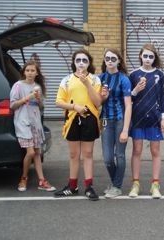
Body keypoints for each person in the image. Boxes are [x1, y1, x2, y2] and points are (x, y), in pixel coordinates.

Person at [54, 49, 101, 201]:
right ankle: (72, 186)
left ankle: (89, 186)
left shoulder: (95, 80)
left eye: (85, 60)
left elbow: (97, 102)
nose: (81, 63)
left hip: (90, 118)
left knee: (87, 154)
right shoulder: (66, 80)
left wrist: (86, 83)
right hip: (73, 118)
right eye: (78, 60)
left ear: (89, 63)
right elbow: (59, 102)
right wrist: (75, 107)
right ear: (74, 62)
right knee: (74, 154)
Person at [128, 43, 164, 199]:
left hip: (154, 119)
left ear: (154, 58)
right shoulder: (133, 74)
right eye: (145, 56)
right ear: (140, 56)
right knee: (136, 151)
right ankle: (135, 184)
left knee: (155, 151)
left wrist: (163, 117)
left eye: (151, 56)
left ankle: (155, 185)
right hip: (137, 119)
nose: (148, 59)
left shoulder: (160, 74)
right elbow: (128, 98)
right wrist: (136, 89)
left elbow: (163, 98)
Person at [10, 60, 56, 192]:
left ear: (37, 73)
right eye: (27, 70)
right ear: (24, 72)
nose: (30, 73)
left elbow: (41, 109)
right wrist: (28, 97)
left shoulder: (37, 87)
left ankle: (42, 181)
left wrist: (39, 100)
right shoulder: (18, 86)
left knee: (37, 152)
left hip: (35, 123)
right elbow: (12, 105)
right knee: (30, 152)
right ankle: (23, 178)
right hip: (23, 123)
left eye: (32, 71)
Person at [99, 48, 132, 198]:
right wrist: (102, 97)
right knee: (107, 157)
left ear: (119, 61)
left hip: (120, 120)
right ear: (104, 60)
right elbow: (96, 103)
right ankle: (114, 183)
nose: (110, 61)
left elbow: (128, 105)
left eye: (113, 58)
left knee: (119, 155)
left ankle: (117, 187)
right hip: (105, 120)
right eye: (107, 58)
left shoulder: (124, 79)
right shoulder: (99, 78)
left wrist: (125, 129)